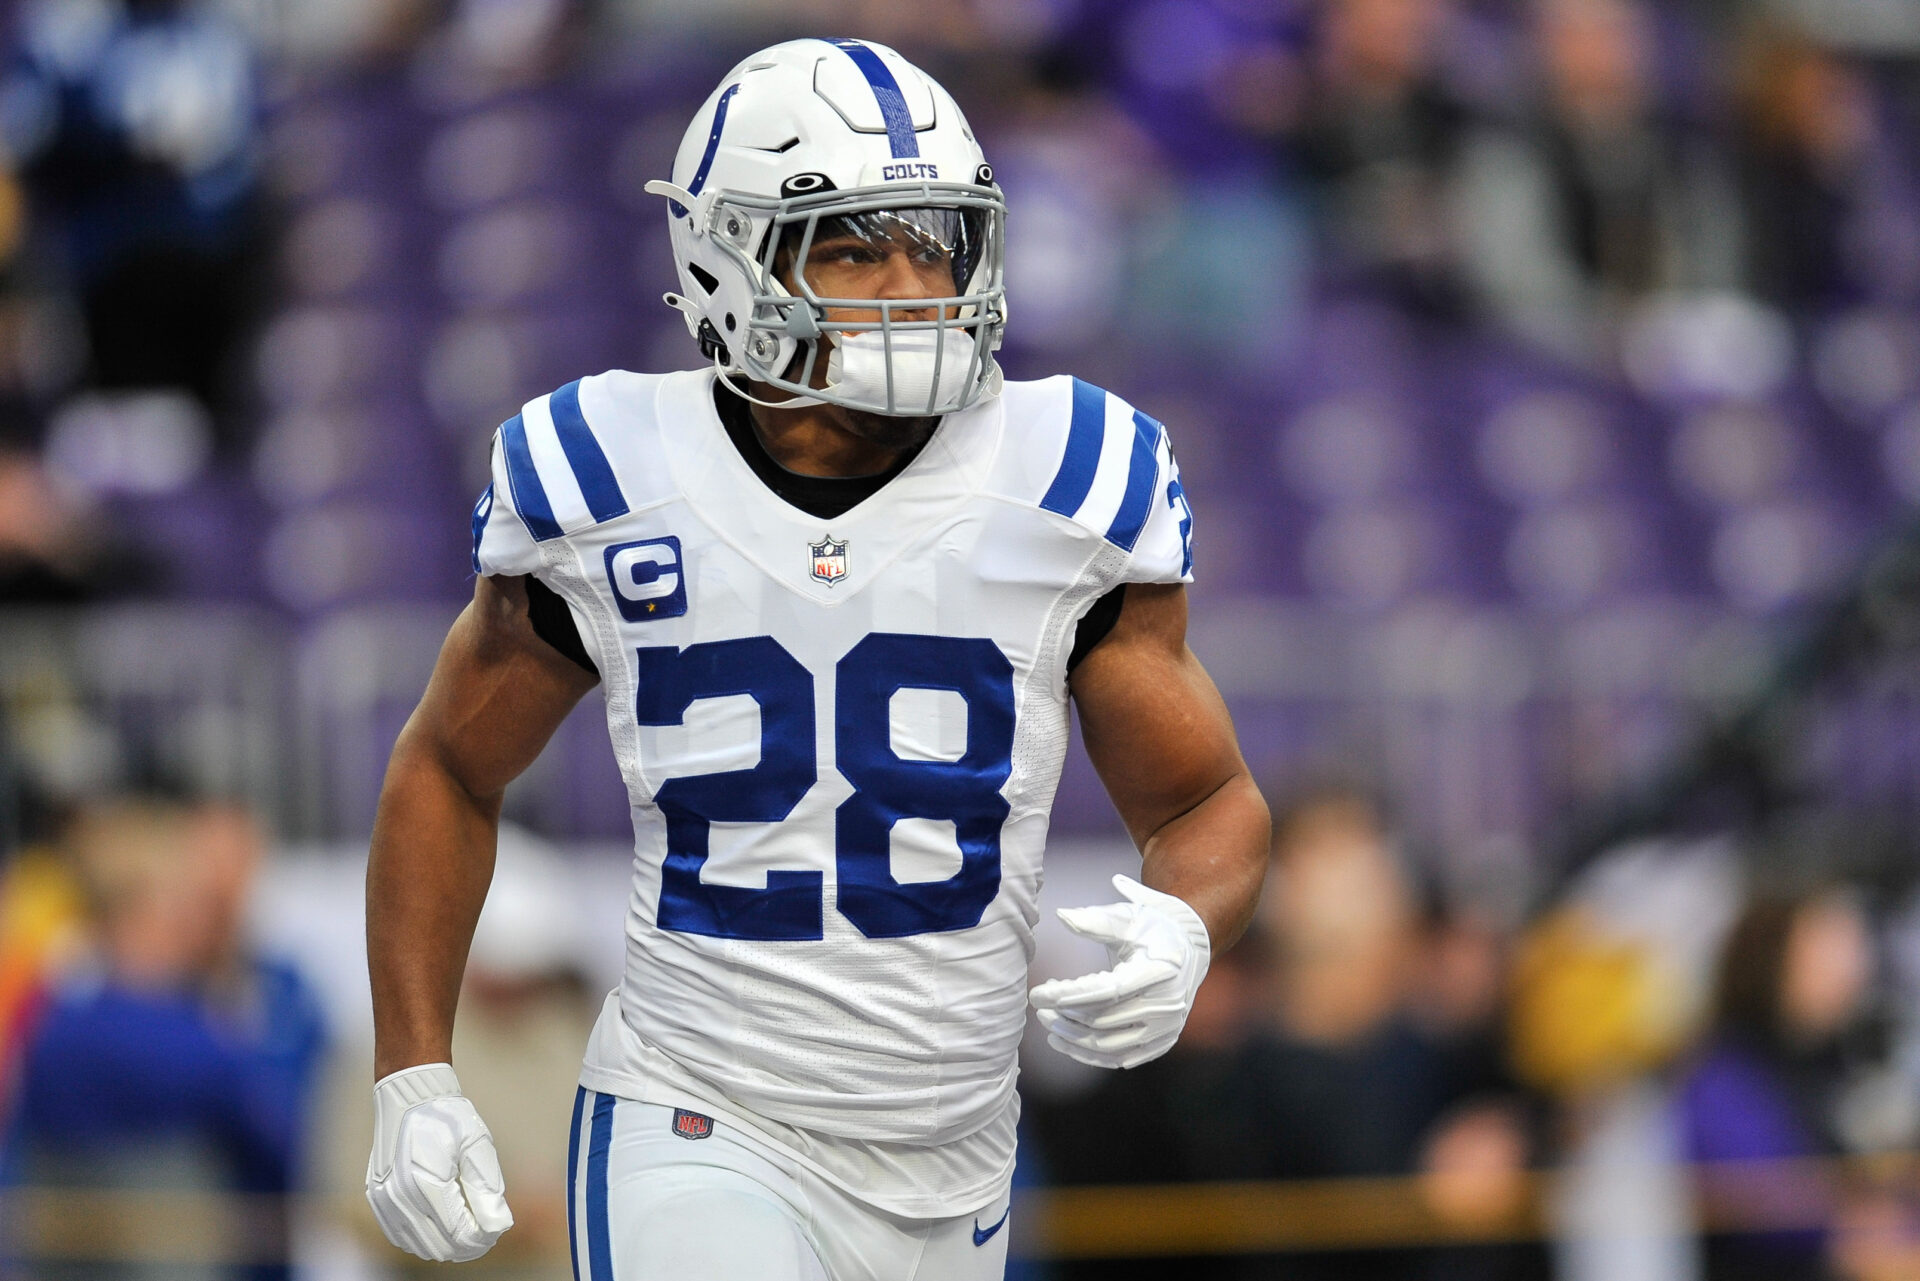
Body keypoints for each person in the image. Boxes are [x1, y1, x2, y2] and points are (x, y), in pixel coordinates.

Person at [361, 37, 1271, 1281]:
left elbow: (1209, 801)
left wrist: (1184, 927)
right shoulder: (610, 477)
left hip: (956, 1158)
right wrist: (412, 1070)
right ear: (728, 256)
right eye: (854, 244)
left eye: (935, 242)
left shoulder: (1064, 479)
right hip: (697, 1111)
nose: (912, 283)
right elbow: (448, 770)